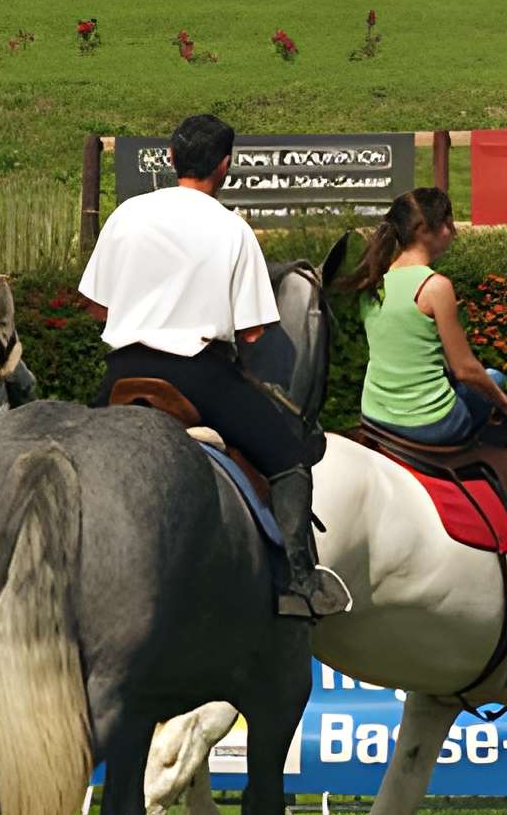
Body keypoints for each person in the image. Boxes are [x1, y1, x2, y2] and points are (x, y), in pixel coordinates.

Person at [78, 114, 326, 618]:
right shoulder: (233, 229)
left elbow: (96, 307)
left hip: (122, 372)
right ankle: (297, 584)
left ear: (170, 158)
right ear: (226, 166)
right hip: (198, 376)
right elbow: (253, 332)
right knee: (290, 457)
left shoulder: (127, 214)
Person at [351, 188, 505, 446]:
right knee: (495, 378)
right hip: (431, 423)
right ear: (423, 230)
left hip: (374, 415)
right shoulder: (435, 286)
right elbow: (465, 369)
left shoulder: (371, 282)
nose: (452, 232)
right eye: (447, 223)